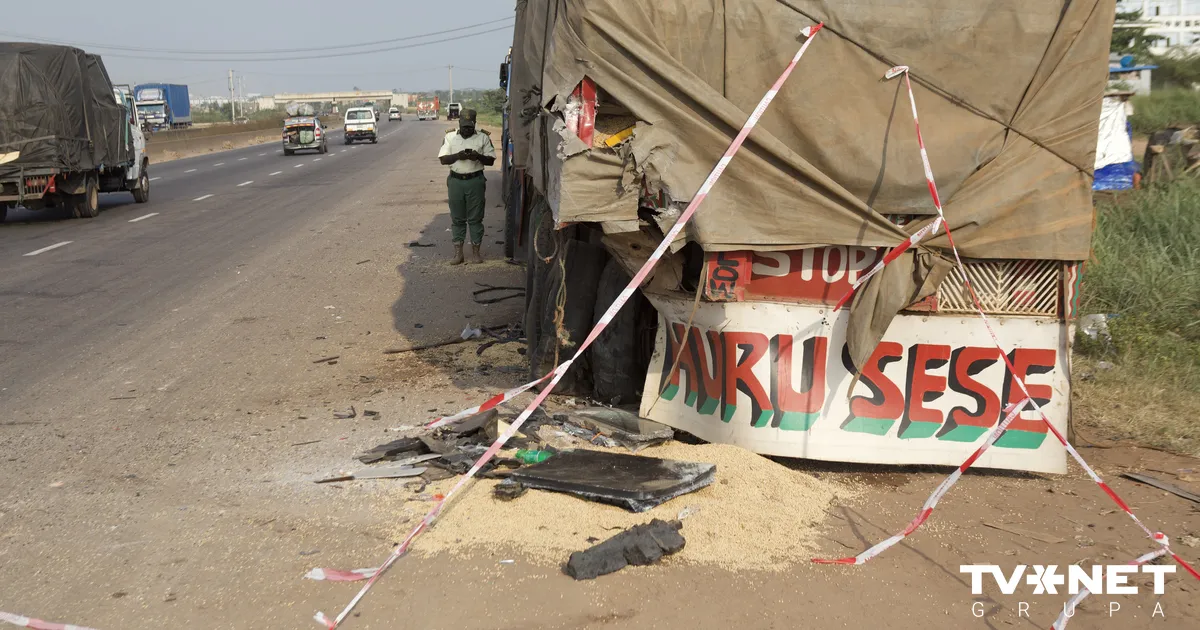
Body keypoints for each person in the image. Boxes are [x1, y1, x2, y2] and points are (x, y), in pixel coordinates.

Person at [437, 108, 496, 264]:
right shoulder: (449, 137)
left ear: (475, 123)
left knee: (476, 219)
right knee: (457, 218)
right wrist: (458, 156)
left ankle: (476, 253)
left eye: (470, 126)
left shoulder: (483, 137)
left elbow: (491, 160)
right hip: (456, 182)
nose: (467, 129)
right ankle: (458, 254)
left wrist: (478, 157)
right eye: (464, 126)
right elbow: (443, 159)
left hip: (475, 181)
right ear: (459, 123)